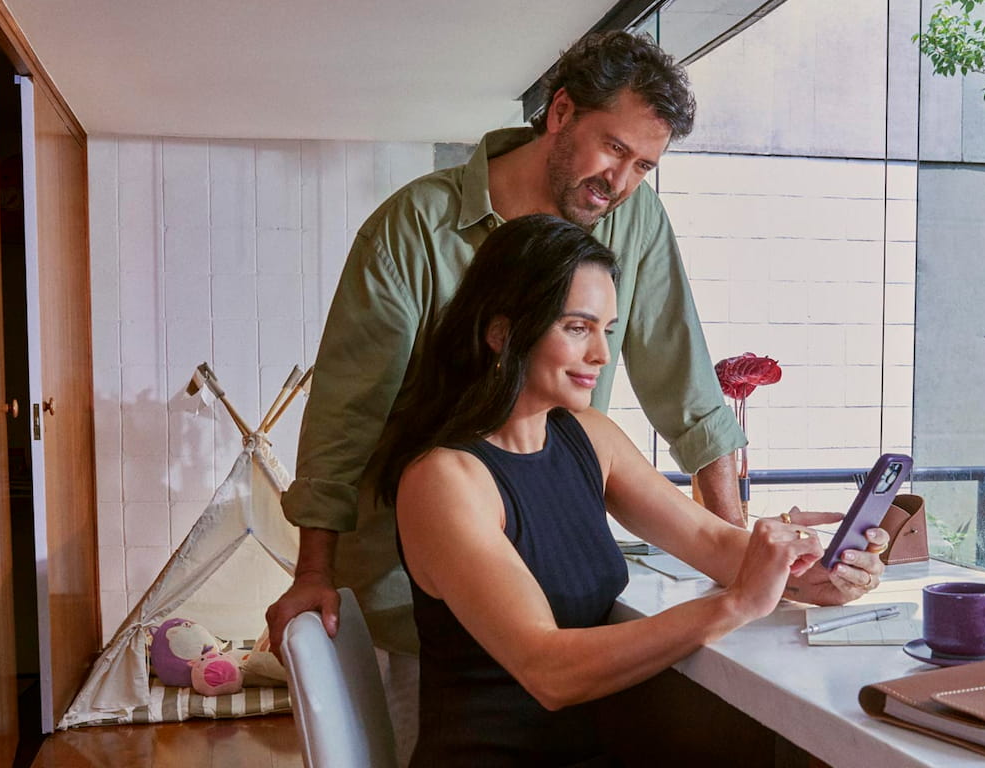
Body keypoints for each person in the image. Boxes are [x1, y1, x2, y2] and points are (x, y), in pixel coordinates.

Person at [269, 30, 743, 756]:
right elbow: (346, 412)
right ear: (559, 113)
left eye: (644, 165)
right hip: (422, 585)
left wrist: (741, 543)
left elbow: (683, 375)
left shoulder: (634, 220)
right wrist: (314, 572)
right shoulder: (413, 229)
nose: (621, 182)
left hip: (554, 563)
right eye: (613, 149)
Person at [375, 214, 888, 766]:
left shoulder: (588, 436)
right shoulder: (444, 480)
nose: (600, 353)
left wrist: (815, 573)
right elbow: (548, 668)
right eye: (577, 328)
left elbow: (712, 542)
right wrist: (737, 604)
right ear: (501, 333)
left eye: (607, 329)